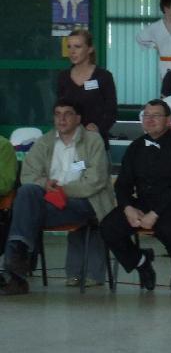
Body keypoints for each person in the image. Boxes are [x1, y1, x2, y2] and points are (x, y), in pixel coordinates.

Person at [0, 100, 115, 295]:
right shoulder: (44, 142)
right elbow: (28, 175)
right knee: (27, 191)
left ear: (78, 118)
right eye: (57, 114)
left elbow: (95, 181)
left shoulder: (93, 141)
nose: (61, 119)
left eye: (67, 114)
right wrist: (45, 184)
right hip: (49, 201)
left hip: (84, 202)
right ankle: (17, 260)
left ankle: (15, 266)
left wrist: (62, 190)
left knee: (24, 212)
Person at [100, 100, 171, 293]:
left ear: (168, 120)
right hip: (143, 203)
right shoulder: (136, 147)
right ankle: (141, 262)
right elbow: (123, 183)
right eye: (146, 116)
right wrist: (128, 207)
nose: (150, 120)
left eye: (156, 116)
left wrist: (155, 213)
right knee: (108, 227)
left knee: (168, 227)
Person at [56, 28, 118, 287]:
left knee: (96, 206)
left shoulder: (102, 77)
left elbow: (111, 110)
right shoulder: (63, 77)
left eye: (78, 46)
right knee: (73, 201)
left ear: (90, 49)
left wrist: (97, 128)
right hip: (71, 148)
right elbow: (60, 111)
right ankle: (74, 270)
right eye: (69, 47)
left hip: (95, 148)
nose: (73, 51)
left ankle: (94, 272)